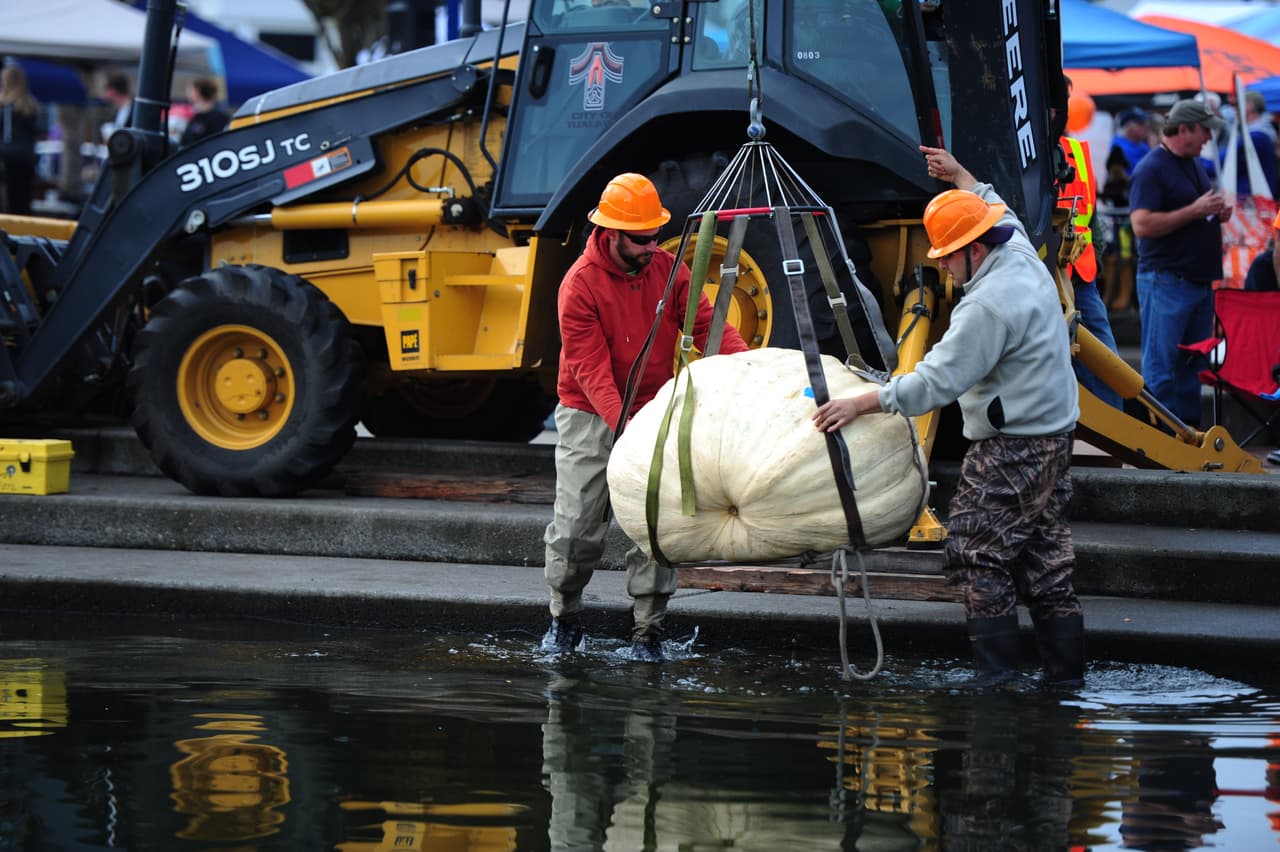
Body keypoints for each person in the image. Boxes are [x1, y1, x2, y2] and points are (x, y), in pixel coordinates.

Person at [812, 146, 1085, 686]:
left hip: (1014, 447)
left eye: (948, 254)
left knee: (977, 554)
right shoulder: (1020, 252)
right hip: (1055, 435)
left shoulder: (986, 307)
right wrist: (958, 175)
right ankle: (1066, 682)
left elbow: (933, 383)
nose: (939, 264)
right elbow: (994, 201)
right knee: (1044, 558)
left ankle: (995, 685)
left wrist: (859, 402)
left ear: (975, 251)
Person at [541, 173, 749, 662]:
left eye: (656, 235)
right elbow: (590, 371)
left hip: (655, 407)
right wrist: (626, 427)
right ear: (610, 234)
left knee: (656, 528)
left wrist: (754, 369)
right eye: (641, 238)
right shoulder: (578, 286)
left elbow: (709, 325)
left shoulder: (667, 268)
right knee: (576, 528)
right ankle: (563, 618)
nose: (652, 245)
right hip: (590, 412)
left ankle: (648, 631)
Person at [1129, 99, 1232, 429]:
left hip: (1194, 282)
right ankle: (1162, 438)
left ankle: (1188, 435)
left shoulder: (1191, 162)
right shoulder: (1152, 168)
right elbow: (1141, 225)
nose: (1208, 138)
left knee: (1191, 363)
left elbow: (1193, 212)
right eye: (1204, 131)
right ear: (1184, 129)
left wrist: (1215, 213)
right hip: (1167, 281)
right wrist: (1198, 211)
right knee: (1162, 366)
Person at [1060, 96, 1123, 409]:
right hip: (1043, 274)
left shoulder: (1076, 152)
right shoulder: (1027, 153)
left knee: (1104, 358)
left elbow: (1091, 215)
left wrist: (1094, 256)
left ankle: (1122, 434)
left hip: (1079, 274)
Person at [0, 63, 40, 215]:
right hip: (26, 156)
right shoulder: (30, 105)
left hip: (6, 155)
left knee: (6, 200)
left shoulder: (4, 105)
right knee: (23, 199)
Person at [1224, 90, 1277, 198]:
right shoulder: (1264, 131)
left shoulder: (1255, 136)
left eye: (1238, 105)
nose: (1235, 110)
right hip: (1259, 196)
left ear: (1249, 106)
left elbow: (1224, 161)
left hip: (1253, 199)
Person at [179, 77, 230, 148]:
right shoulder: (196, 117)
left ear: (198, 91)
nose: (187, 93)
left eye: (190, 89)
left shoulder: (218, 118)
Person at [1109, 108, 1151, 177]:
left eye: (1145, 123)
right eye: (1140, 123)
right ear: (1128, 126)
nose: (1146, 126)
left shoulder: (1143, 146)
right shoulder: (1118, 147)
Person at [101, 71, 133, 142]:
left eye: (106, 89)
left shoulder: (135, 109)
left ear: (112, 91)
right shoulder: (117, 110)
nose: (104, 94)